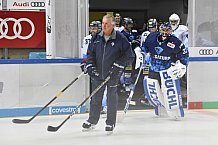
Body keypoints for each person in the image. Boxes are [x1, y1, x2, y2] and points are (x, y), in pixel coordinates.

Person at [82, 14, 134, 133]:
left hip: (112, 74)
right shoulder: (96, 38)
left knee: (111, 98)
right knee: (96, 97)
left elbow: (129, 56)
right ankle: (92, 120)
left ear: (113, 25)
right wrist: (90, 66)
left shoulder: (120, 38)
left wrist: (118, 66)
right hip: (98, 73)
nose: (104, 26)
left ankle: (110, 123)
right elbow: (90, 54)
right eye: (103, 23)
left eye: (107, 24)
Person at [141, 22, 189, 119]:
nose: (165, 32)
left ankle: (175, 112)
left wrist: (182, 65)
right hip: (153, 68)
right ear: (159, 29)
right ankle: (160, 109)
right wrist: (142, 53)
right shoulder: (151, 37)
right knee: (153, 89)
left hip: (167, 70)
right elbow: (144, 47)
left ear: (170, 30)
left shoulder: (175, 41)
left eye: (167, 30)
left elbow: (184, 54)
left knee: (169, 90)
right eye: (163, 30)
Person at [80, 21, 108, 115]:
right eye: (91, 28)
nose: (92, 30)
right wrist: (84, 62)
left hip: (104, 66)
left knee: (105, 86)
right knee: (96, 87)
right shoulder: (87, 38)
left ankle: (104, 106)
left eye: (94, 28)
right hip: (93, 65)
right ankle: (96, 107)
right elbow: (85, 52)